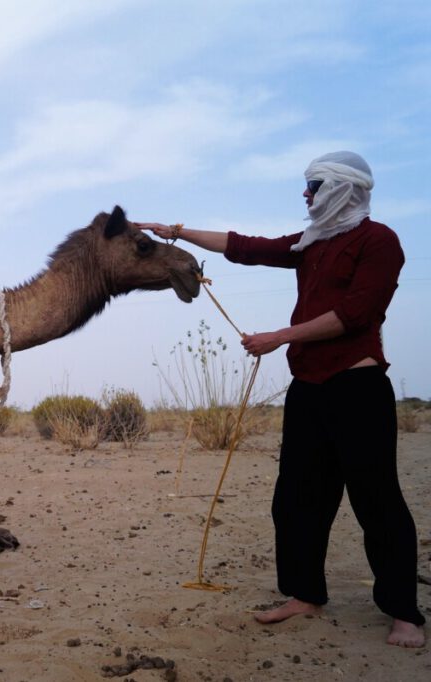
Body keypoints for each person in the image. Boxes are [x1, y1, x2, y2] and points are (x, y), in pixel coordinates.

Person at [141, 151, 425, 648]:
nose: (306, 193)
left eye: (313, 185)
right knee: (295, 498)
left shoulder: (379, 241)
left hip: (357, 388)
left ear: (341, 187)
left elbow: (356, 313)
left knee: (376, 500)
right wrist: (175, 232)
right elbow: (244, 247)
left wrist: (280, 336)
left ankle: (404, 613)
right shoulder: (310, 243)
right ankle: (305, 594)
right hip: (308, 390)